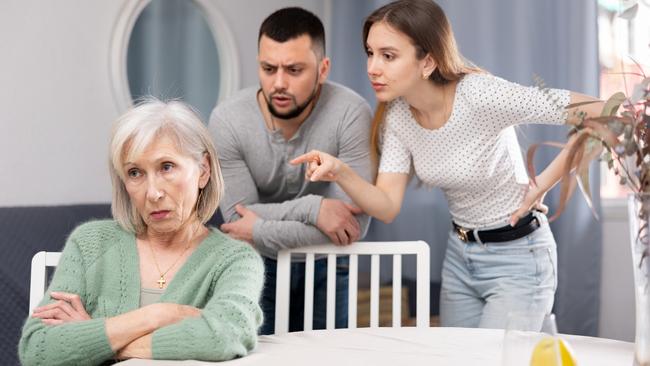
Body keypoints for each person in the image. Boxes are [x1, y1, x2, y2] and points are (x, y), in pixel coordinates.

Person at [292, 0, 603, 329]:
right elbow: (386, 205)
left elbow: (603, 111)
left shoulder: (480, 95)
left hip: (519, 259)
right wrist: (339, 171)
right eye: (370, 53)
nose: (372, 68)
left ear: (427, 61)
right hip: (460, 258)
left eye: (388, 55)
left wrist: (543, 182)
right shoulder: (398, 116)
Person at [19, 99, 264, 365]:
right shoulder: (90, 243)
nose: (153, 193)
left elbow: (224, 337)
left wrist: (96, 338)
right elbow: (37, 349)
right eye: (135, 173)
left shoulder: (236, 260)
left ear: (203, 171)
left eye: (166, 167)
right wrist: (158, 315)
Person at [209, 7, 372, 334]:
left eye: (294, 70)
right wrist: (316, 209)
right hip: (255, 262)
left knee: (328, 359)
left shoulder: (352, 113)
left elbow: (352, 227)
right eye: (268, 69)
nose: (278, 83)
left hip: (328, 259)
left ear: (323, 69)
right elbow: (238, 221)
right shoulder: (227, 121)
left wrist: (259, 229)